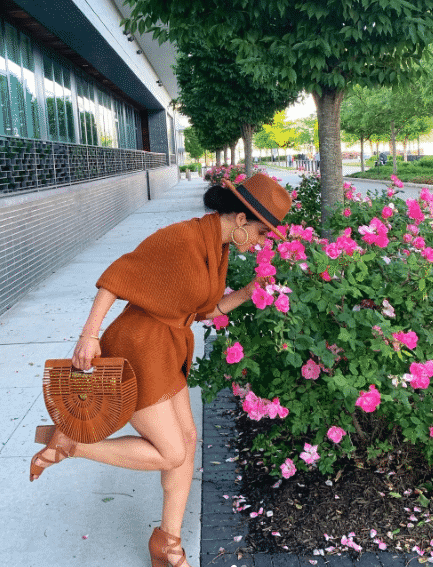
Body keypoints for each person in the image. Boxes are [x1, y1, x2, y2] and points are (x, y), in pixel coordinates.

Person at [29, 173, 292, 567]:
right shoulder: (182, 238)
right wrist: (89, 335)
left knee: (186, 442)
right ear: (240, 219)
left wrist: (249, 291)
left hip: (168, 349)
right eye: (260, 231)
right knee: (170, 452)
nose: (261, 242)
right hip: (138, 346)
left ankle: (167, 545)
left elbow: (203, 310)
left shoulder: (215, 249)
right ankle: (71, 443)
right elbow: (117, 278)